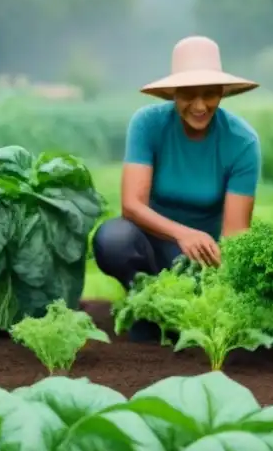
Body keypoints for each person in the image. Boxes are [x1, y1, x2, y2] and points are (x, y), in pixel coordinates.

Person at [93, 36, 262, 339]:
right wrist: (182, 233)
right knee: (113, 239)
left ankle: (171, 314)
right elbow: (132, 205)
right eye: (188, 95)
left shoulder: (241, 142)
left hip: (203, 257)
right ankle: (144, 303)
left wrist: (219, 283)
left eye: (209, 94)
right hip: (149, 241)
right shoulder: (148, 124)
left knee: (191, 303)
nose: (199, 106)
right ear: (173, 93)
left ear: (222, 92)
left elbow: (235, 233)